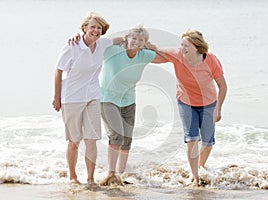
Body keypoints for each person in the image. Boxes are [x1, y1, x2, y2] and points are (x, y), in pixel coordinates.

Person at [69, 24, 164, 185]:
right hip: (108, 99)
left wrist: (153, 47)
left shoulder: (143, 55)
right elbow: (93, 45)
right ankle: (110, 174)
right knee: (117, 136)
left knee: (127, 139)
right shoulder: (113, 52)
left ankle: (120, 174)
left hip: (129, 101)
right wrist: (77, 38)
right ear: (126, 39)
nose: (137, 42)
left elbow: (165, 59)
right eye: (133, 38)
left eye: (141, 40)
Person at [147, 30, 227, 186]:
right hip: (186, 103)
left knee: (208, 142)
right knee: (191, 139)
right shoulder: (177, 55)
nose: (182, 47)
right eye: (181, 44)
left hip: (209, 104)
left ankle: (201, 165)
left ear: (197, 46)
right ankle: (195, 176)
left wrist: (218, 109)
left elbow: (223, 86)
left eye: (186, 45)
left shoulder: (211, 61)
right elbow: (157, 53)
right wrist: (143, 49)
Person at [52, 12, 123, 186]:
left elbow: (120, 39)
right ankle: (73, 177)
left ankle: (91, 179)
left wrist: (140, 40)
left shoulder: (103, 43)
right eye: (92, 27)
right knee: (74, 141)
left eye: (99, 28)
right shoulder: (72, 46)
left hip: (92, 96)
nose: (96, 30)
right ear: (84, 28)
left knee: (92, 139)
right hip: (72, 98)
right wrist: (57, 97)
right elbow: (58, 70)